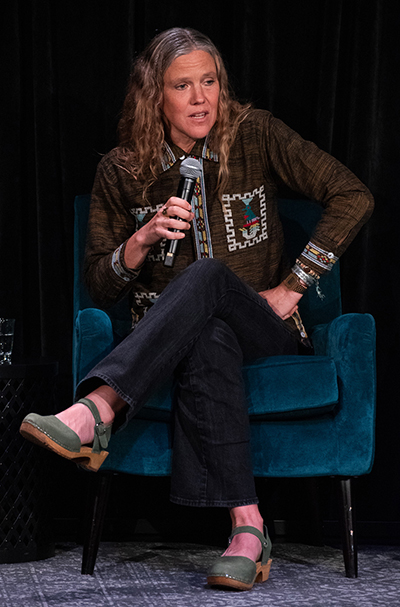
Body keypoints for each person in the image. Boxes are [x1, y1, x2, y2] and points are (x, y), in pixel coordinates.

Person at [20, 27, 374, 591]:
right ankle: (248, 531)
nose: (201, 98)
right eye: (183, 86)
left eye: (209, 81)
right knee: (208, 335)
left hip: (267, 328)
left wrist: (292, 286)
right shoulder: (123, 167)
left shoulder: (255, 135)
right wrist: (139, 242)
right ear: (154, 95)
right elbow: (97, 285)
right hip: (180, 342)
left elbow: (353, 194)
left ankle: (100, 407)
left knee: (208, 276)